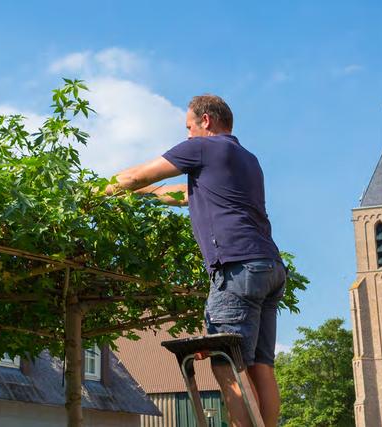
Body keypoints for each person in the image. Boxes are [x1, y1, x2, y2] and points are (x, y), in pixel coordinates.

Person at [105, 94, 286, 427]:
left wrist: (95, 191)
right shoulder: (246, 160)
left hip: (237, 268)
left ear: (206, 120)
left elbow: (137, 175)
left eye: (189, 127)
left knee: (226, 365)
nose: (187, 135)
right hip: (269, 267)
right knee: (261, 367)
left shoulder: (203, 148)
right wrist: (143, 194)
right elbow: (177, 194)